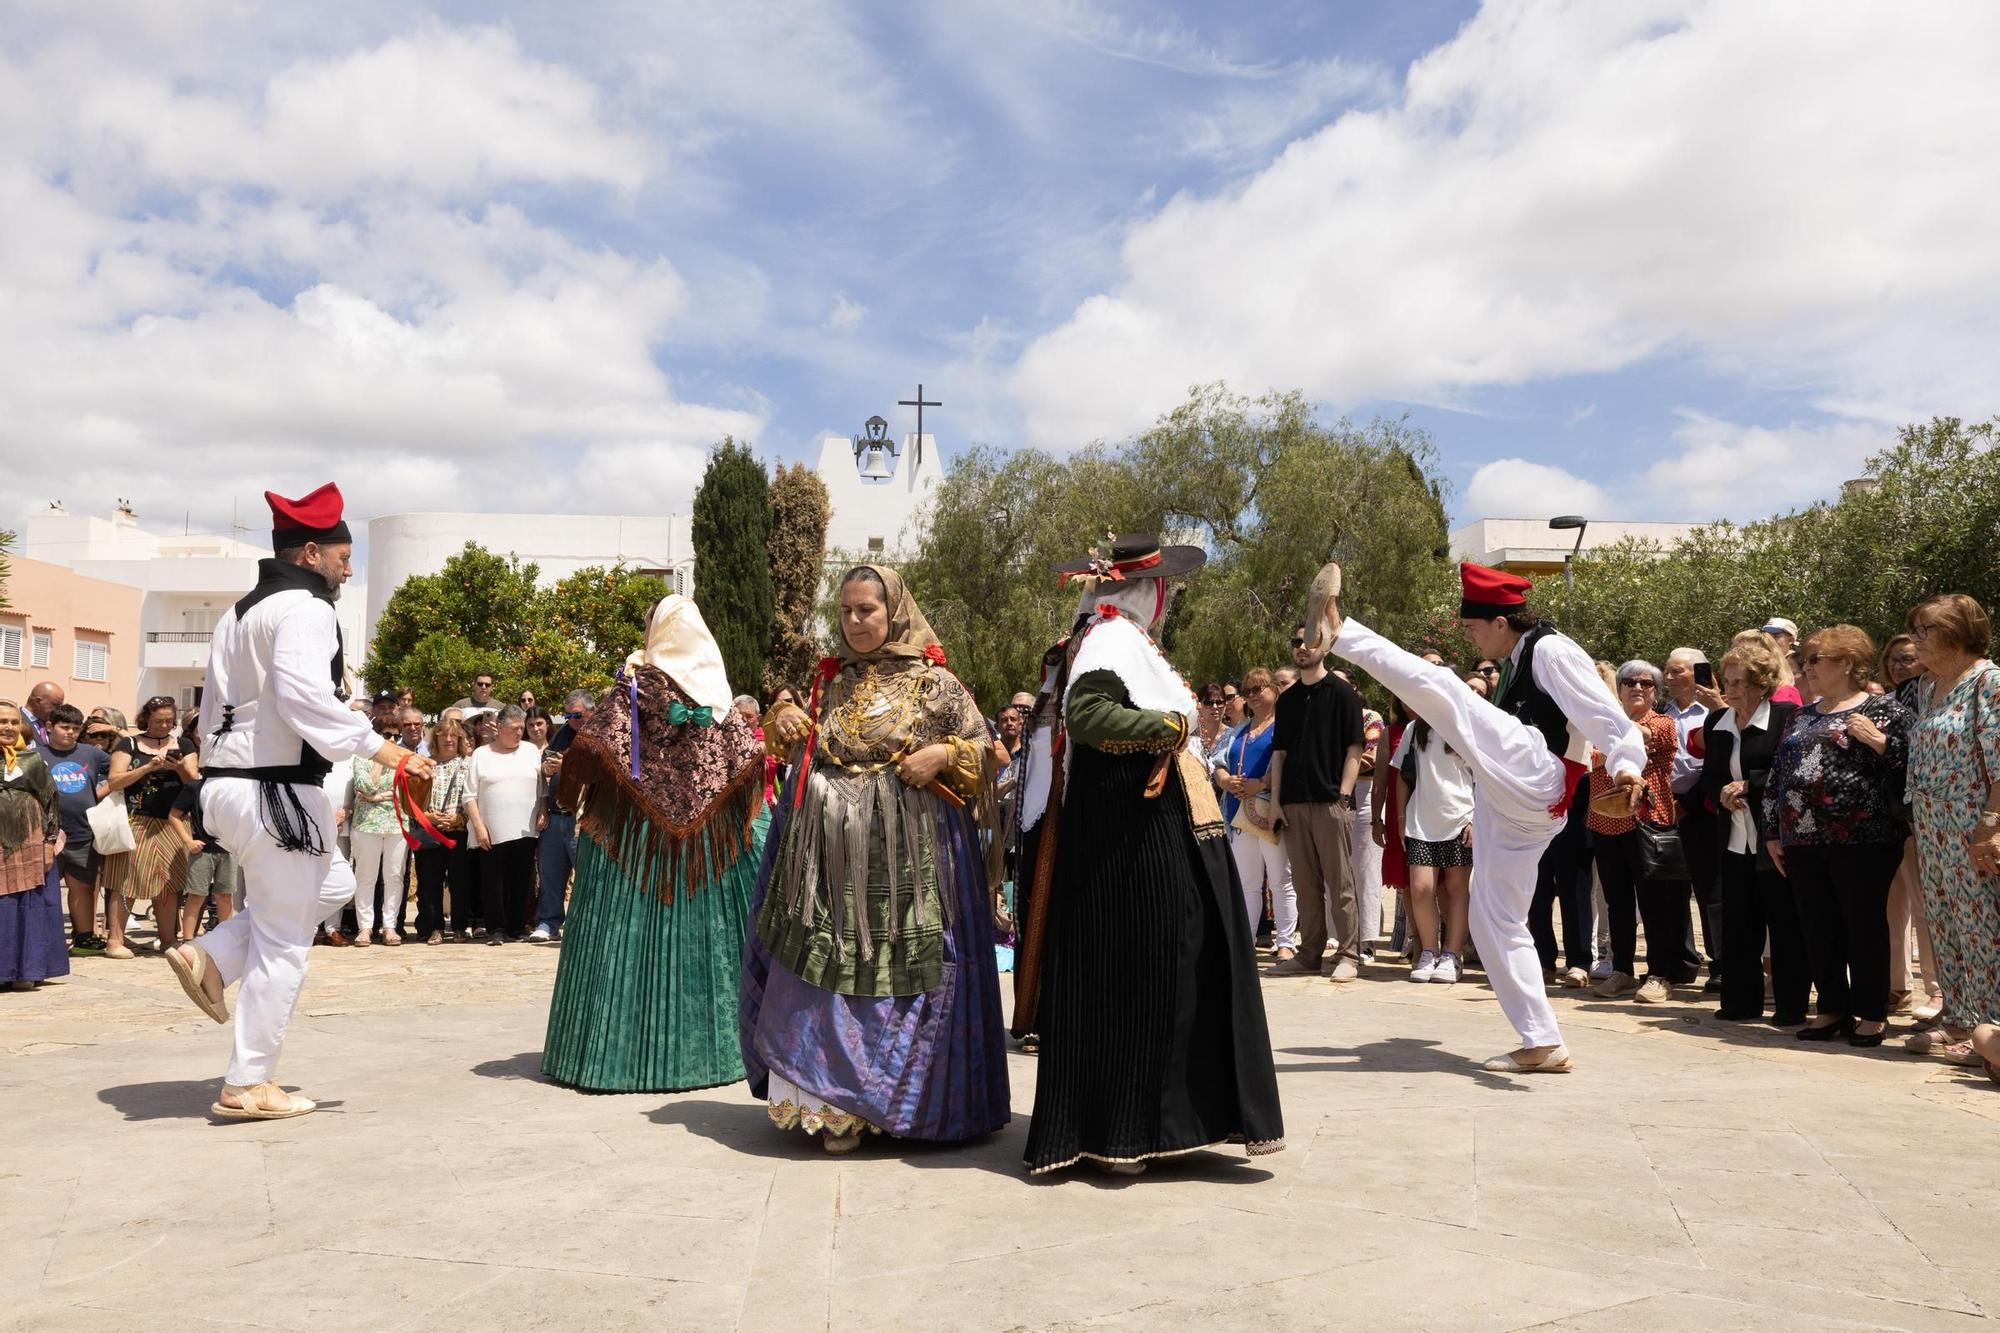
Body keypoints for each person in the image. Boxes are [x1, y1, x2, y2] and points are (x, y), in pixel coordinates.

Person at [1311, 560, 1645, 1073]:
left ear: (1501, 622)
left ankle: (1342, 632)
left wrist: (1626, 770)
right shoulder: (1514, 660)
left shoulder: (1550, 650)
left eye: (1472, 629)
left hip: (1541, 772)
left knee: (1446, 692)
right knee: (1495, 921)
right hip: (1513, 801)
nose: (1471, 640)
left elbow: (1609, 718)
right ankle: (1543, 1041)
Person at [164, 482, 432, 1119]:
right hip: (276, 791)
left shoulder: (236, 613)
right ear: (311, 552)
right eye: (343, 558)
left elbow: (212, 710)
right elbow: (304, 697)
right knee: (285, 941)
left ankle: (215, 954)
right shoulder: (306, 610)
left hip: (234, 788)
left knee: (333, 885)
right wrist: (386, 750)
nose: (347, 569)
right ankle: (247, 1082)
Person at [1020, 535, 1282, 1174]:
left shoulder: (1113, 637)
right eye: (1161, 584)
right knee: (1145, 966)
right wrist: (1170, 728)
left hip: (1135, 830)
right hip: (1130, 838)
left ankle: (1142, 1125)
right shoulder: (1111, 639)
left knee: (1155, 964)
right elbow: (1088, 714)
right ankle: (1124, 1130)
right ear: (1144, 589)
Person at [741, 565, 1009, 1154]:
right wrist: (783, 725)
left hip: (913, 860)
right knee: (825, 974)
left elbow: (989, 753)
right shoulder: (830, 682)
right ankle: (833, 1108)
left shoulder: (936, 684)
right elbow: (804, 748)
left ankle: (901, 1106)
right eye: (846, 612)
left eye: (867, 610)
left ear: (895, 611)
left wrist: (941, 753)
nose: (856, 622)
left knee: (908, 973)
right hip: (829, 865)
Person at [543, 596, 766, 1091]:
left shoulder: (635, 688)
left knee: (624, 940)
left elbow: (589, 752)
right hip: (707, 853)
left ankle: (613, 1056)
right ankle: (716, 1053)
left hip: (632, 842)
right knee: (708, 940)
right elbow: (750, 766)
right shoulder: (722, 704)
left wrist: (572, 789)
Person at [1764, 625, 1912, 1048]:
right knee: (1817, 923)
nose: (1805, 667)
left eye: (1815, 660)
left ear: (1846, 663)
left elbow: (1911, 766)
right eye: (1805, 659)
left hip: (1864, 837)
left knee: (1862, 924)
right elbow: (1779, 774)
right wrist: (1773, 829)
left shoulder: (1885, 710)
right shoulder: (1802, 714)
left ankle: (1870, 1012)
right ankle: (1830, 1008)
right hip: (1802, 838)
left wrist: (1879, 742)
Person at [1904, 595, 2000, 1063]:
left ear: (1957, 633)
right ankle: (1960, 1016)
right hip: (1931, 822)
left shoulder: (1989, 681)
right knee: (1945, 922)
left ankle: (1992, 1026)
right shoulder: (1927, 685)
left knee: (1983, 925)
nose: (1916, 640)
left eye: (1926, 630)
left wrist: (1991, 825)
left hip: (1972, 821)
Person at [1700, 640, 1807, 1024]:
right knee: (1739, 920)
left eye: (1740, 683)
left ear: (1762, 685)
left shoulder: (1785, 716)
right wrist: (1723, 794)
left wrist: (1749, 784)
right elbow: (1709, 777)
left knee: (1783, 922)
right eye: (1727, 681)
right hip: (1733, 836)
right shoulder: (1717, 722)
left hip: (1774, 836)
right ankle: (1740, 1002)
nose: (1730, 690)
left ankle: (1790, 1006)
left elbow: (1791, 772)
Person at [1270, 623, 1368, 980]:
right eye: (1296, 641)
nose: (1301, 647)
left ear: (1325, 645)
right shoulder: (1289, 699)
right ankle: (1309, 953)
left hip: (1330, 801)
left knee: (1340, 882)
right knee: (1305, 884)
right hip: (1293, 803)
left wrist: (1344, 795)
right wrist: (1277, 803)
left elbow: (1355, 749)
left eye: (1308, 641)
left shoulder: (1343, 694)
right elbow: (1279, 755)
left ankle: (1349, 954)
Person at [1588, 661, 1688, 1004]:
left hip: (1648, 822)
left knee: (1653, 902)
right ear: (1617, 689)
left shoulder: (1663, 723)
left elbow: (1636, 739)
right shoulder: (1602, 726)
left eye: (1646, 683)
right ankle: (1623, 970)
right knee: (1617, 901)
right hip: (1605, 821)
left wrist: (1606, 745)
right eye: (1629, 681)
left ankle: (1660, 973)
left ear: (1655, 692)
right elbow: (1589, 758)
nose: (1638, 687)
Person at [1880, 633, 1942, 1018]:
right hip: (1891, 816)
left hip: (1924, 814)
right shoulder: (1889, 701)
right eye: (1893, 660)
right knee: (1892, 905)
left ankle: (1936, 991)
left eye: (1907, 658)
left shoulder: (1931, 695)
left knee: (1924, 905)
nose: (1899, 666)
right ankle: (1895, 986)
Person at [99, 695, 190, 958]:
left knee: (169, 881)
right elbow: (114, 781)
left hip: (173, 821)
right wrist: (147, 767)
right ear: (146, 719)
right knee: (124, 879)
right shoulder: (128, 743)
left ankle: (168, 939)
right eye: (159, 720)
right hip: (135, 818)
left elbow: (193, 780)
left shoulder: (182, 744)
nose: (164, 725)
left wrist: (179, 767)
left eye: (169, 721)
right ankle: (115, 940)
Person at [1390, 703, 1475, 984]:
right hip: (1420, 821)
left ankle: (1453, 954)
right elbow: (1403, 776)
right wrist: (1401, 817)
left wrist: (1476, 819)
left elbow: (1483, 779)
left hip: (1460, 819)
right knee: (1421, 888)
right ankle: (1428, 950)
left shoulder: (1466, 726)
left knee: (1456, 888)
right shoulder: (1414, 729)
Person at [1216, 668, 1293, 960]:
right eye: (1248, 690)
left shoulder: (1284, 726)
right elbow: (1218, 762)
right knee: (1247, 883)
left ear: (1274, 689)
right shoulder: (1239, 730)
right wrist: (1226, 781)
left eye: (1259, 688)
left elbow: (1288, 762)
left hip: (1270, 811)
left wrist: (1260, 783)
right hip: (1239, 814)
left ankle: (1285, 941)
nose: (1253, 695)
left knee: (1280, 879)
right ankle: (1245, 942)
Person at [0, 701, 66, 989]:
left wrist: (50, 842)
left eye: (14, 722)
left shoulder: (32, 760)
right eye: (3, 721)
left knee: (26, 905)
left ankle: (26, 970)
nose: (9, 727)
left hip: (29, 841)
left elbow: (50, 801)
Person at [1662, 648, 1719, 989]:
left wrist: (1691, 803)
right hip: (1665, 807)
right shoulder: (1662, 712)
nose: (1669, 678)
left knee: (1710, 888)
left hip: (1703, 808)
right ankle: (1682, 961)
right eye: (1667, 671)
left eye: (1678, 671)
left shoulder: (1714, 711)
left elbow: (1715, 764)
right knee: (1672, 887)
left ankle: (1721, 962)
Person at [464, 704, 542, 944]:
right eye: (513, 728)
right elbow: (469, 795)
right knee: (493, 880)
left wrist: (544, 810)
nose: (519, 733)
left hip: (525, 827)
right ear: (499, 728)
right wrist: (478, 826)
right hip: (492, 828)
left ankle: (517, 926)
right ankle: (495, 928)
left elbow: (542, 786)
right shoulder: (482, 754)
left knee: (521, 878)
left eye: (521, 729)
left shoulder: (530, 750)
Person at [37, 704, 111, 955]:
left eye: (75, 729)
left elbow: (124, 768)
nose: (70, 732)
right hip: (46, 835)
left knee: (83, 887)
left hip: (83, 832)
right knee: (45, 890)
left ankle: (83, 938)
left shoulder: (92, 754)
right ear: (49, 727)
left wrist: (99, 792)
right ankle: (45, 939)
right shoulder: (35, 754)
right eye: (64, 727)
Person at [529, 691, 592, 943]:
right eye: (568, 715)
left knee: (587, 875)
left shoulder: (601, 733)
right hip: (555, 815)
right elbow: (546, 768)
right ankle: (548, 922)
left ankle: (588, 924)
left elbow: (601, 770)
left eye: (577, 715)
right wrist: (547, 768)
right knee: (550, 874)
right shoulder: (562, 733)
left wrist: (566, 765)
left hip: (583, 817)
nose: (572, 720)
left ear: (591, 711)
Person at [412, 718, 471, 945]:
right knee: (429, 882)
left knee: (459, 881)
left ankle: (459, 927)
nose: (448, 740)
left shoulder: (468, 763)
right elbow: (413, 801)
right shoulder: (426, 765)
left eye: (453, 735)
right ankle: (434, 927)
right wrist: (428, 817)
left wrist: (459, 818)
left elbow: (476, 798)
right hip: (430, 831)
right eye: (443, 735)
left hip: (458, 830)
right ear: (435, 738)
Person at [346, 737, 408, 946]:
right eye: (385, 736)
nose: (390, 740)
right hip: (366, 825)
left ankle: (389, 926)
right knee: (365, 877)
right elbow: (365, 785)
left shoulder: (403, 758)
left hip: (396, 824)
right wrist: (380, 762)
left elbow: (404, 791)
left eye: (393, 736)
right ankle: (365, 927)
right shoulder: (360, 758)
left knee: (394, 876)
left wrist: (375, 797)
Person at [169, 773, 240, 940]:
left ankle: (225, 940)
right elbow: (174, 815)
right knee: (196, 895)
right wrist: (187, 841)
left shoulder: (235, 786)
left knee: (225, 895)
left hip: (229, 849)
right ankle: (187, 939)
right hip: (201, 849)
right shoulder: (195, 786)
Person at [25, 682, 64, 747]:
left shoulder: (53, 725)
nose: (58, 710)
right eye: (56, 705)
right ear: (38, 701)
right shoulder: (16, 722)